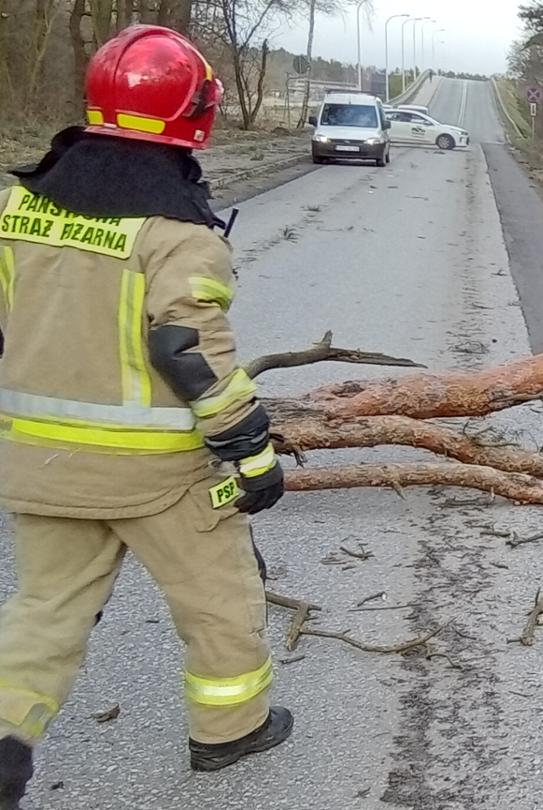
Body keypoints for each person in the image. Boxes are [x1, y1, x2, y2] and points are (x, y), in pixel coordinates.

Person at [0, 25, 293, 809]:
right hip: (158, 475)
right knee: (221, 596)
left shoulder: (16, 209)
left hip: (39, 463)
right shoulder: (179, 234)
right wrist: (254, 455)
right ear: (194, 114)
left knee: (44, 610)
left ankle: (4, 744)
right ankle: (231, 729)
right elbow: (189, 351)